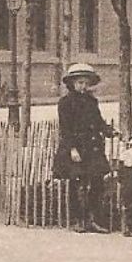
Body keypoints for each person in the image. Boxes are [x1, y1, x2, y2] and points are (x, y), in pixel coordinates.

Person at [53, 62, 115, 233]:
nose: (83, 86)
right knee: (77, 184)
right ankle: (77, 220)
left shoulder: (91, 101)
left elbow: (98, 122)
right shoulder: (65, 103)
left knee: (97, 183)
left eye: (86, 83)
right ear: (72, 83)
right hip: (76, 148)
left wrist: (109, 131)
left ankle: (93, 220)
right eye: (80, 82)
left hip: (92, 147)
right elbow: (65, 128)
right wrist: (72, 149)